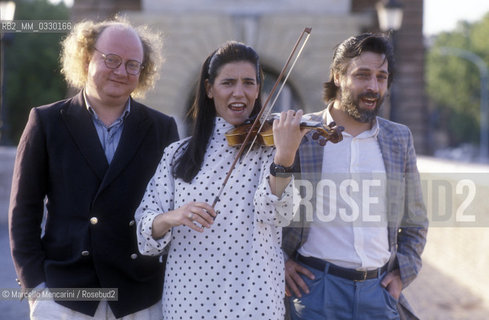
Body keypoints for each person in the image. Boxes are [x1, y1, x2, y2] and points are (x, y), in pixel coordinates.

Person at [9, 18, 179, 319]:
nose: (121, 71)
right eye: (111, 60)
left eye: (132, 64)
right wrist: (36, 289)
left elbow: (171, 209)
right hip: (65, 299)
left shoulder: (162, 128)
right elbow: (24, 212)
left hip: (139, 298)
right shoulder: (46, 122)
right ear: (87, 57)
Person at [135, 41, 307, 319]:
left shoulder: (272, 151)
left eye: (249, 83)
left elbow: (278, 214)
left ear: (258, 89)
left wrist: (284, 158)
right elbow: (145, 231)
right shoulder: (177, 154)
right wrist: (172, 217)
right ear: (209, 89)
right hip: (189, 300)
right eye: (228, 82)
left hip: (255, 301)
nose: (239, 93)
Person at [282, 33, 429, 320]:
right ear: (337, 76)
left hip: (379, 292)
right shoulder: (300, 133)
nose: (373, 86)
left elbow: (416, 219)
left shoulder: (399, 138)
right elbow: (268, 208)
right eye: (363, 75)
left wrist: (402, 273)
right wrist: (281, 262)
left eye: (381, 77)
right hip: (314, 292)